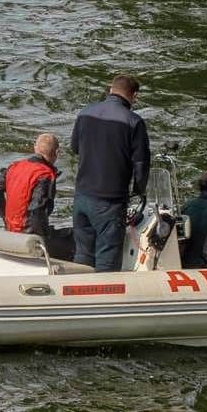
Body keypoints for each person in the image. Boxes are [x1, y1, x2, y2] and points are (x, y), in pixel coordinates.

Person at [69, 74, 151, 271]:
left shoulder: (85, 113)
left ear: (110, 89)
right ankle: (105, 298)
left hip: (81, 197)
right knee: (107, 260)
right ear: (134, 96)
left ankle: (79, 296)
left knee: (83, 255)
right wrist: (139, 191)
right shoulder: (134, 122)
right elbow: (141, 165)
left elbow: (74, 147)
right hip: (110, 202)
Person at [0, 133, 75, 260]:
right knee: (78, 237)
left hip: (11, 232)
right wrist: (41, 238)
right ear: (57, 153)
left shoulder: (15, 167)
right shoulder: (45, 174)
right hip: (28, 237)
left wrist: (6, 217)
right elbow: (36, 210)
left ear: (35, 148)